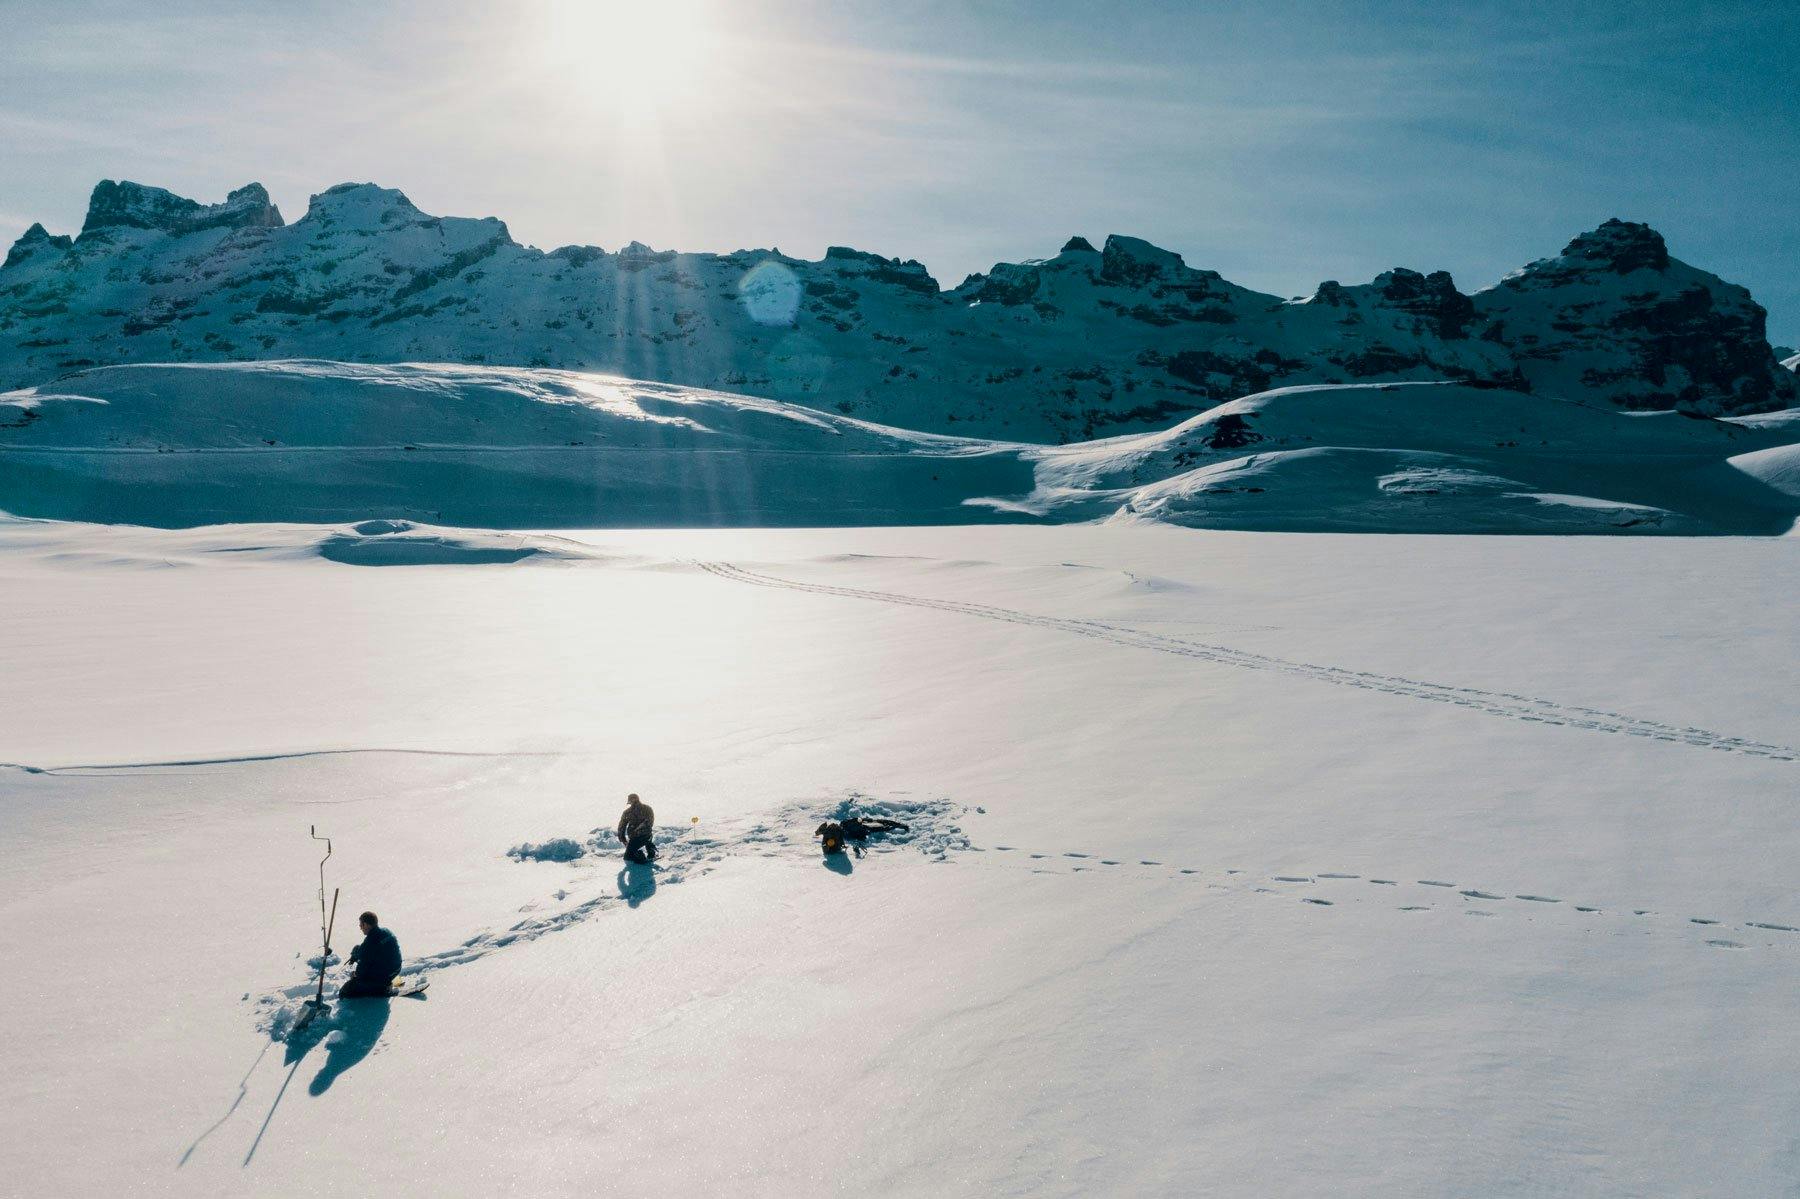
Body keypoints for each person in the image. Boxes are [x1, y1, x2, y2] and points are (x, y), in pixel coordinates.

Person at [339, 911, 401, 1000]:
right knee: (359, 949)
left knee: (346, 991)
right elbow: (368, 951)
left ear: (367, 925)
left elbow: (362, 971)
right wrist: (356, 954)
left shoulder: (369, 943)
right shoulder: (386, 931)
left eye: (361, 925)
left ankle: (382, 989)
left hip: (383, 976)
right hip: (396, 968)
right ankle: (388, 981)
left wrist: (355, 975)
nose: (360, 928)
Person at [617, 793, 656, 863]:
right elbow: (622, 826)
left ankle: (643, 854)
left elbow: (621, 827)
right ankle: (650, 847)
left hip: (640, 836)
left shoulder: (628, 812)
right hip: (641, 836)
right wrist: (623, 839)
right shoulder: (646, 808)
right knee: (629, 855)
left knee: (627, 857)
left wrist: (623, 839)